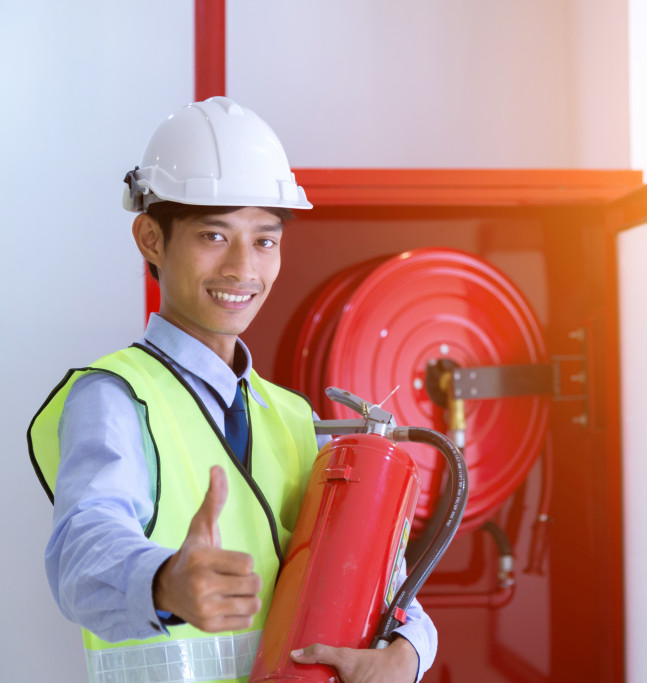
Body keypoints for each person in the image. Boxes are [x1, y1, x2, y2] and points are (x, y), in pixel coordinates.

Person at [28, 97, 436, 683]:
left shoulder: (291, 415)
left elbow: (378, 576)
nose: (244, 268)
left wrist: (409, 650)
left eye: (265, 240)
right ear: (150, 239)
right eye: (214, 236)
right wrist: (165, 579)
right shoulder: (116, 397)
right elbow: (81, 552)